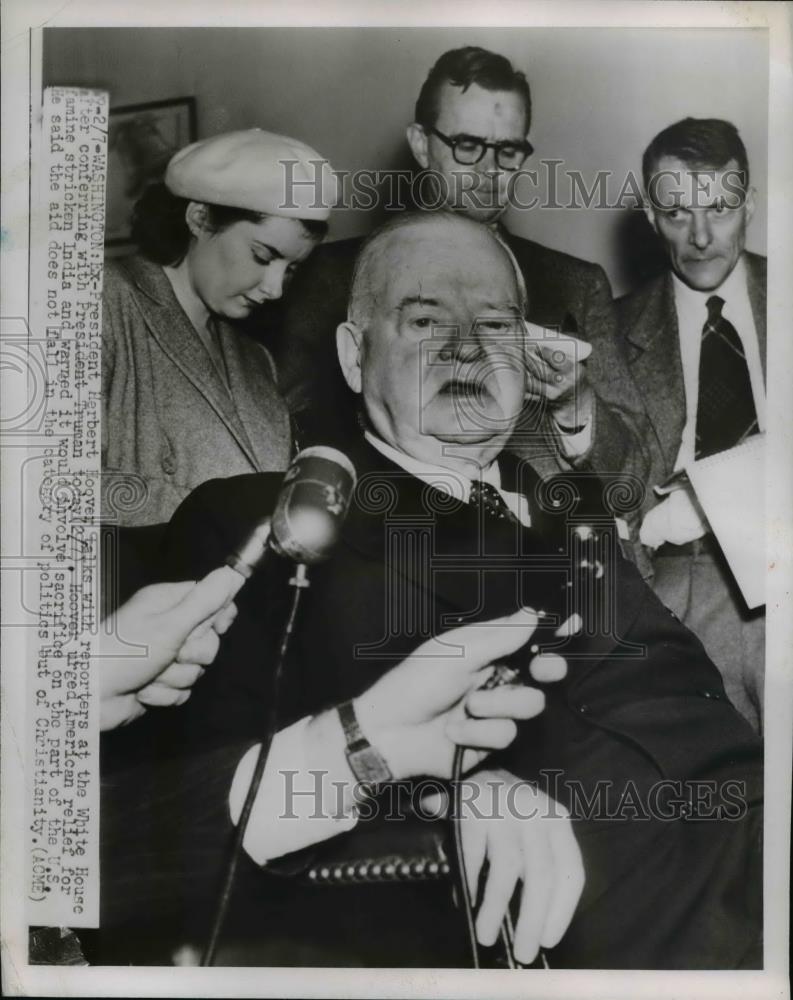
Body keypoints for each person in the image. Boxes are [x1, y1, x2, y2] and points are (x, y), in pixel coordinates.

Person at [146, 214, 761, 969]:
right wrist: (433, 799)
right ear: (352, 354)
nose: (468, 346)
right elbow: (196, 801)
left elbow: (702, 717)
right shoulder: (266, 517)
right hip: (597, 919)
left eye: (496, 324)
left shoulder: (575, 518)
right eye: (425, 319)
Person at [277, 46, 646, 492]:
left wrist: (576, 405)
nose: (489, 170)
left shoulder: (577, 284)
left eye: (508, 150)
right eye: (467, 146)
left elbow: (632, 480)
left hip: (559, 551)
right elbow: (295, 443)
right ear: (420, 144)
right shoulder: (331, 278)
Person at [101, 129, 337, 528]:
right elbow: (51, 481)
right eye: (263, 255)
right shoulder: (106, 301)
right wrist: (220, 515)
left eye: (292, 269)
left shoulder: (256, 360)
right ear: (200, 218)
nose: (275, 288)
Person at [616, 118, 766, 733]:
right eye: (677, 214)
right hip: (678, 572)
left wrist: (716, 493)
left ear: (748, 203)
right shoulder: (611, 327)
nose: (701, 236)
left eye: (721, 209)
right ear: (651, 217)